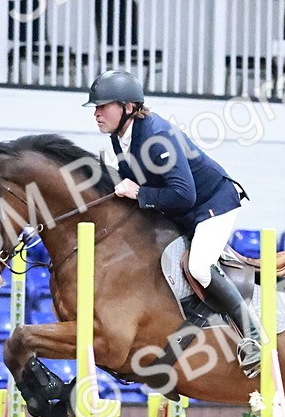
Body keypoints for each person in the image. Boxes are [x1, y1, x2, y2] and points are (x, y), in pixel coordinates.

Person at [84, 70, 261, 377]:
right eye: (96, 107)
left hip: (212, 205)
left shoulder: (155, 137)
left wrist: (138, 192)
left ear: (128, 107)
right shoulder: (121, 136)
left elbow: (183, 193)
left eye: (104, 106)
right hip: (183, 210)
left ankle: (254, 336)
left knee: (198, 267)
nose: (97, 113)